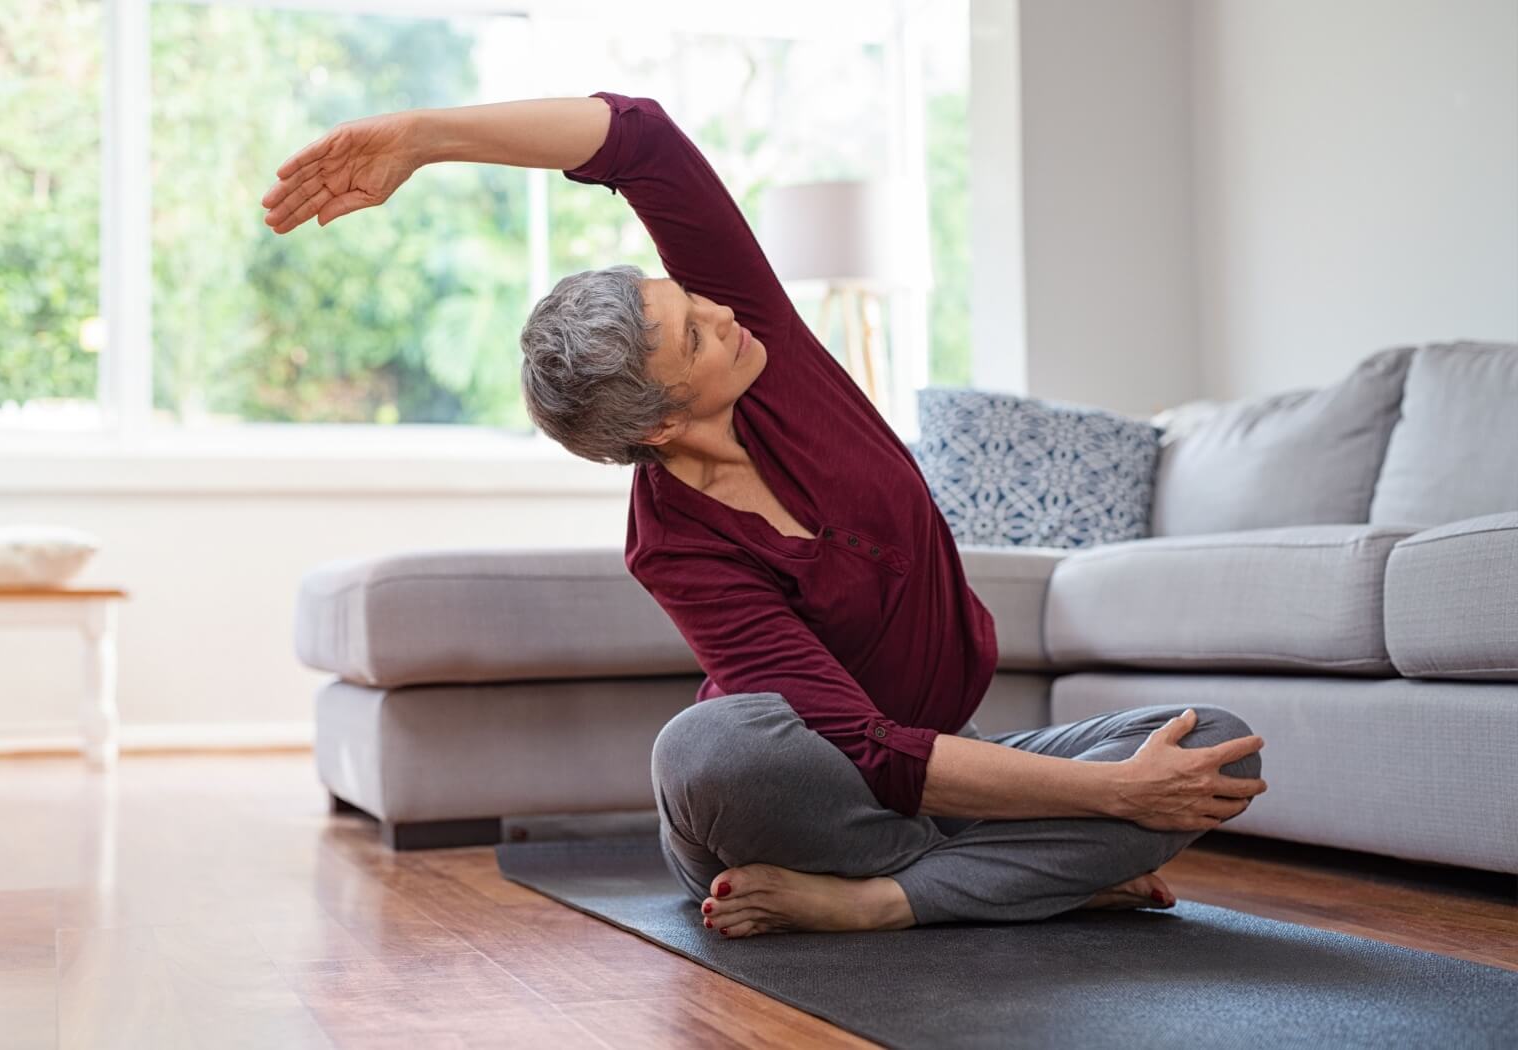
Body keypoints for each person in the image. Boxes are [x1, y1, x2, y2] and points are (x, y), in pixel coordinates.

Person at [261, 91, 1267, 939]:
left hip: (922, 786)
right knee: (704, 751)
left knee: (1214, 743)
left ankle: (887, 898)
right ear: (655, 420)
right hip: (805, 800)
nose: (727, 314)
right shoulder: (672, 545)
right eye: (695, 335)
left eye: (700, 304)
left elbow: (640, 139)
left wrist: (425, 138)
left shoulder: (768, 349)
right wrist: (1111, 802)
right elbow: (864, 749)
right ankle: (1005, 877)